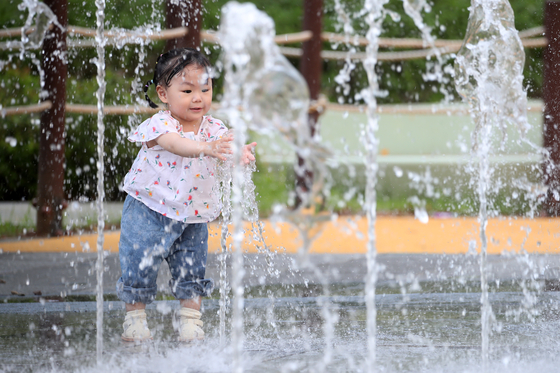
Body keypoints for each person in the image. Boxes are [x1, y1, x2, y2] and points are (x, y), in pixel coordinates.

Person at [116, 48, 256, 342]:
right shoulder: (160, 125)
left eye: (206, 89)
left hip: (193, 214)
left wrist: (238, 153)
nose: (198, 97)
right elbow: (176, 144)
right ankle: (135, 319)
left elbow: (222, 150)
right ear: (163, 93)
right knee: (138, 263)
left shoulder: (214, 128)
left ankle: (191, 321)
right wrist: (207, 148)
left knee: (192, 267)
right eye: (188, 89)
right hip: (149, 209)